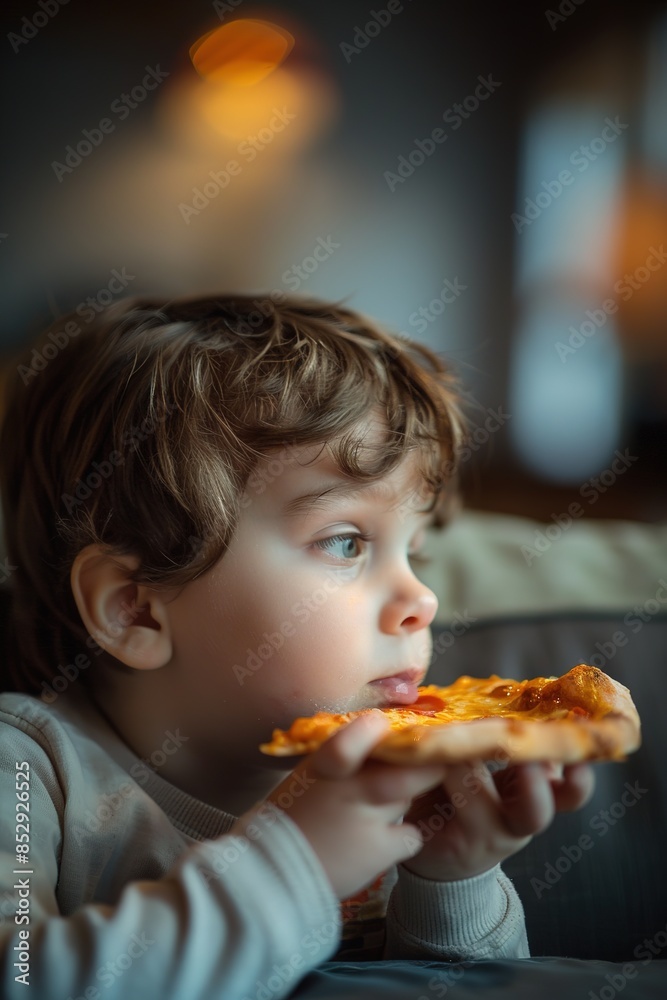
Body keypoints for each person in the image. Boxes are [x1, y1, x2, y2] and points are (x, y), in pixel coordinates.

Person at [0, 293, 594, 999]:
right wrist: (297, 863)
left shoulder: (400, 791)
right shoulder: (31, 776)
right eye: (346, 542)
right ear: (137, 609)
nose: (421, 603)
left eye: (416, 552)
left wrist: (451, 880)